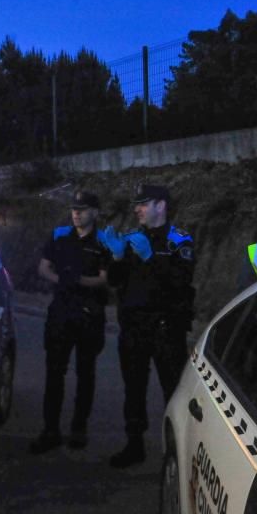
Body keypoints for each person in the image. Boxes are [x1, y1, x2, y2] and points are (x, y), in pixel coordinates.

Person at [98, 183, 195, 468]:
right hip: (134, 328)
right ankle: (134, 444)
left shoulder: (179, 240)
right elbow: (115, 282)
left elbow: (180, 282)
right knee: (134, 389)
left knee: (173, 391)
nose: (137, 208)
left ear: (161, 205)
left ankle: (178, 449)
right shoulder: (132, 239)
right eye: (137, 204)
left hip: (166, 328)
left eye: (144, 203)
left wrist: (151, 259)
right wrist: (116, 256)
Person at [29, 191, 109, 454]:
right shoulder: (59, 235)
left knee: (86, 374)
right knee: (54, 373)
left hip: (89, 315)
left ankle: (78, 429)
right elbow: (43, 267)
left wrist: (79, 282)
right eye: (74, 208)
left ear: (95, 212)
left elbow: (104, 277)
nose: (77, 213)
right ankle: (50, 430)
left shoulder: (104, 241)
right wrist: (63, 281)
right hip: (61, 313)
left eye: (83, 209)